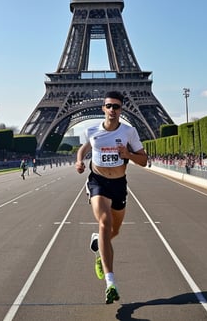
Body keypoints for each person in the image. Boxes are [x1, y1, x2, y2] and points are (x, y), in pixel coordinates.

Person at [75, 91, 147, 304]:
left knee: (114, 230)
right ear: (103, 108)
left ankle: (99, 244)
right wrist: (79, 161)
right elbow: (84, 147)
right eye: (109, 106)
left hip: (118, 184)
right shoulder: (92, 130)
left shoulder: (129, 132)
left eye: (117, 106)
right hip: (98, 182)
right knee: (105, 223)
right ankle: (110, 283)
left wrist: (128, 155)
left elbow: (143, 160)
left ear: (121, 109)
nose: (113, 110)